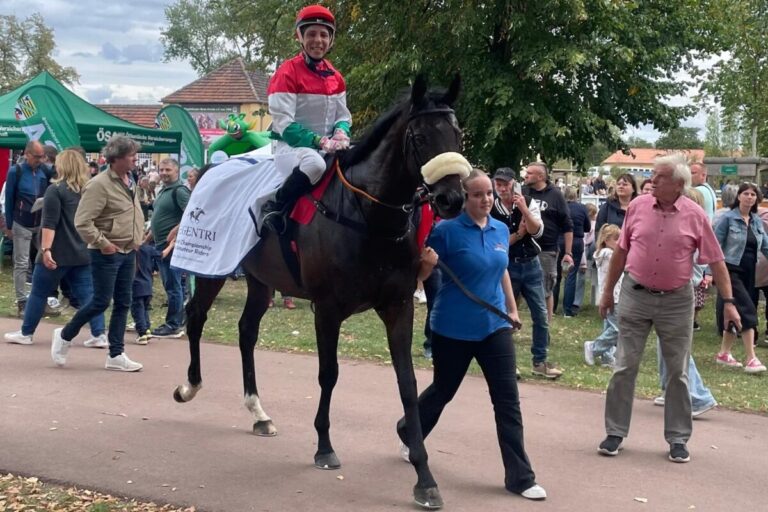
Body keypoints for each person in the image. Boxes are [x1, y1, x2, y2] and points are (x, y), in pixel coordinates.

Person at [397, 169, 547, 501]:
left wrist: (512, 309)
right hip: (452, 328)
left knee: (507, 401)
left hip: (494, 328)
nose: (485, 200)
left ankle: (520, 477)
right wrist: (426, 263)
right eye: (478, 194)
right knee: (443, 391)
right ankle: (410, 431)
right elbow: (420, 276)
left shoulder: (498, 229)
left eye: (490, 194)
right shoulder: (446, 231)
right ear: (464, 199)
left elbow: (502, 269)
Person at [597, 153, 740, 464]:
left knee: (677, 372)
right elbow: (621, 250)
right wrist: (607, 292)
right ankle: (615, 432)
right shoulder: (637, 206)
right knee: (624, 366)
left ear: (677, 183)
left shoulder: (694, 214)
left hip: (677, 300)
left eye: (659, 176)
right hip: (635, 295)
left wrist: (729, 303)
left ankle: (677, 438)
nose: (652, 181)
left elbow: (716, 260)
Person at [50, 135, 145, 372]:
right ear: (116, 158)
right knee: (101, 301)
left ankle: (116, 354)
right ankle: (65, 334)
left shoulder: (131, 179)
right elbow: (82, 222)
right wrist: (103, 243)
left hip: (128, 250)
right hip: (107, 252)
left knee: (123, 302)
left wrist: (137, 238)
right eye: (131, 155)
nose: (135, 159)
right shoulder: (99, 184)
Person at [262, 4, 352, 233]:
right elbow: (285, 125)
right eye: (311, 34)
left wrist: (341, 132)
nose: (318, 40)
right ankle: (275, 207)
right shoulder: (286, 72)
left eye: (324, 34)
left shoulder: (336, 77)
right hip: (291, 149)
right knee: (315, 164)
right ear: (300, 37)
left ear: (330, 40)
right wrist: (321, 142)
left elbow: (343, 115)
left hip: (327, 146)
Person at [4, 150, 107, 349]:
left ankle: (26, 332)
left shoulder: (55, 190)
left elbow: (50, 223)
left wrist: (46, 250)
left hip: (57, 252)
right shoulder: (89, 190)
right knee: (88, 294)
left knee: (38, 292)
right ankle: (99, 333)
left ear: (63, 166)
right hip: (83, 251)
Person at [490, 167, 562, 379]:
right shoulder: (492, 208)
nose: (502, 188)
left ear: (514, 183)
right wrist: (518, 233)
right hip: (507, 266)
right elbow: (498, 243)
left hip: (531, 264)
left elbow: (537, 231)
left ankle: (539, 361)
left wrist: (524, 210)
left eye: (506, 184)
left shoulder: (528, 202)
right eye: (499, 184)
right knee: (506, 316)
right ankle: (507, 363)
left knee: (540, 315)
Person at [713, 182, 768, 373]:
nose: (749, 197)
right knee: (747, 309)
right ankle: (751, 358)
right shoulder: (727, 218)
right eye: (746, 193)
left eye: (753, 194)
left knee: (735, 309)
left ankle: (724, 353)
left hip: (749, 272)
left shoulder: (756, 221)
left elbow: (765, 247)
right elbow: (714, 246)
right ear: (739, 196)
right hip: (729, 271)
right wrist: (709, 273)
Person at [522, 162, 574, 331]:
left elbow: (567, 225)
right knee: (516, 285)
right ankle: (511, 324)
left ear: (541, 176)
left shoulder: (555, 195)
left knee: (546, 288)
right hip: (523, 247)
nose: (526, 176)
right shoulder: (523, 192)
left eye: (530, 173)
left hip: (547, 248)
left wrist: (568, 252)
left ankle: (546, 325)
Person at [4, 141, 52, 317]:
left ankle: (42, 299)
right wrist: (9, 225)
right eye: (36, 156)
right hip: (21, 221)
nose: (39, 160)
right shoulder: (15, 171)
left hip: (40, 223)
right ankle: (22, 302)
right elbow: (9, 198)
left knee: (43, 262)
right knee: (22, 263)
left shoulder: (44, 171)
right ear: (27, 154)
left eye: (42, 157)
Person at [148, 158, 190, 338]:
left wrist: (175, 231)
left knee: (173, 286)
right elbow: (158, 219)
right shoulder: (163, 191)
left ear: (176, 171)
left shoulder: (179, 191)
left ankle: (173, 325)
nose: (164, 173)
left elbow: (192, 215)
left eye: (168, 170)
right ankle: (179, 321)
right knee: (174, 286)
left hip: (172, 247)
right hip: (159, 244)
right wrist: (146, 239)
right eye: (162, 170)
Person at [583, 224, 622, 366]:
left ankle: (606, 355)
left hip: (613, 295)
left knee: (608, 326)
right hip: (615, 296)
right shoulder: (609, 254)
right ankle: (594, 348)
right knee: (618, 329)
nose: (619, 243)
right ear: (606, 240)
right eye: (616, 239)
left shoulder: (603, 254)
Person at [555, 186, 591, 317]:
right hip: (576, 241)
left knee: (556, 275)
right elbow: (587, 227)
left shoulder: (559, 207)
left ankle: (552, 307)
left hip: (559, 240)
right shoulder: (582, 208)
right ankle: (567, 310)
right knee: (571, 276)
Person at [131, 241, 158, 345]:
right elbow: (161, 254)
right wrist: (171, 245)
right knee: (145, 309)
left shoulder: (130, 252)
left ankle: (142, 333)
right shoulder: (148, 249)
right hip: (148, 285)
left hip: (136, 285)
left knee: (137, 310)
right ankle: (147, 329)